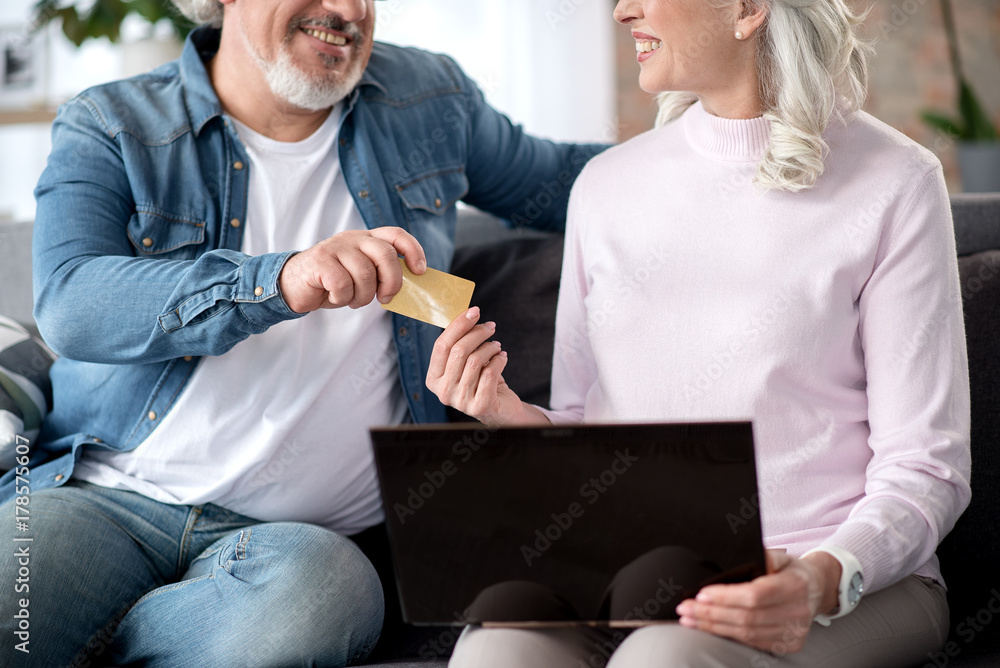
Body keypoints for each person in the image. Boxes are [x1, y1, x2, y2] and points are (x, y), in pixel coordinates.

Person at [0, 0, 606, 665]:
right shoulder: (113, 121)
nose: (346, 10)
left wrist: (723, 121)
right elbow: (73, 306)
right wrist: (278, 281)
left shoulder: (432, 101)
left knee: (321, 597)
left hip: (302, 544)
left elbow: (581, 184)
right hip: (108, 499)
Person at [426, 0, 971, 666]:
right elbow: (578, 428)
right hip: (630, 574)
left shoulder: (896, 183)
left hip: (838, 581)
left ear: (745, 10)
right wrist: (504, 415)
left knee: (662, 658)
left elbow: (927, 468)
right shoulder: (606, 187)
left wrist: (818, 579)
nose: (623, 11)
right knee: (493, 655)